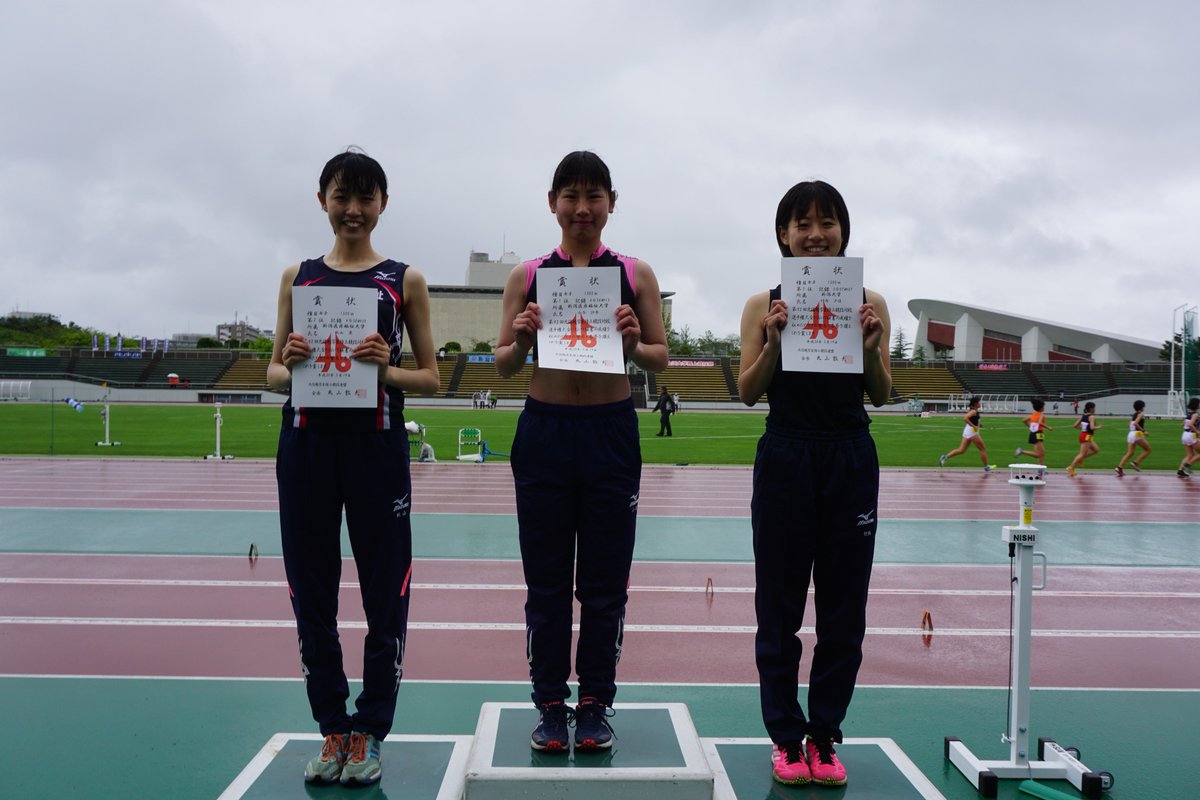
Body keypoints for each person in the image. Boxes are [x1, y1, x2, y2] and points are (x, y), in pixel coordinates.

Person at [267, 149, 439, 786]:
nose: (353, 211)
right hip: (307, 446)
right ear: (322, 201)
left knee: (383, 592)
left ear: (383, 205)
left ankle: (368, 730)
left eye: (366, 199)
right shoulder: (298, 277)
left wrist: (382, 368)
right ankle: (331, 726)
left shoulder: (403, 280)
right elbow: (273, 372)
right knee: (311, 592)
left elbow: (430, 377)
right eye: (342, 197)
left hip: (376, 449)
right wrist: (289, 358)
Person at [495, 151, 668, 753]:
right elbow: (503, 362)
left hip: (609, 431)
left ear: (611, 204)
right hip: (544, 432)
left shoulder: (634, 273)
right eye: (571, 195)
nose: (582, 208)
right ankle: (549, 703)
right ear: (552, 203)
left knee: (604, 584)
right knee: (545, 584)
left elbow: (659, 356)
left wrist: (632, 339)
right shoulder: (528, 274)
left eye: (595, 196)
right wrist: (519, 335)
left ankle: (594, 701)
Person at [737, 180, 891, 787]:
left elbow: (881, 395)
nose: (815, 234)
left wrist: (874, 348)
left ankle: (824, 735)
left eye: (827, 223)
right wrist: (774, 341)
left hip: (850, 456)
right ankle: (784, 737)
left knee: (844, 610)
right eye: (802, 224)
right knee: (777, 608)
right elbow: (748, 393)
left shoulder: (868, 299)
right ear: (783, 235)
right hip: (786, 455)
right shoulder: (762, 304)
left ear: (843, 234)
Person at [940, 397, 995, 472]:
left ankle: (945, 457)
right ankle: (986, 467)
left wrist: (979, 424)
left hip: (968, 431)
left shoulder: (974, 411)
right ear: (975, 404)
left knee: (961, 450)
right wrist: (974, 426)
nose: (980, 404)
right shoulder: (973, 411)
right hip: (972, 432)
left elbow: (974, 419)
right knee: (982, 449)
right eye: (979, 402)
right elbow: (965, 418)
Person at [1115, 399, 1150, 476]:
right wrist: (1144, 431)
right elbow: (1135, 423)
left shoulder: (1134, 415)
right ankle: (1135, 463)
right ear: (1141, 407)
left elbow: (1129, 424)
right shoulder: (1140, 414)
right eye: (1144, 406)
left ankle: (1119, 467)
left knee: (1130, 453)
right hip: (1137, 434)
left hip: (1130, 434)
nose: (1144, 407)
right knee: (1148, 450)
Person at [1066, 401, 1101, 476]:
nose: (1095, 409)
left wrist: (1083, 428)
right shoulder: (1092, 416)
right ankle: (1071, 467)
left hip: (1084, 435)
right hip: (1086, 436)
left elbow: (1075, 425)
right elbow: (1092, 427)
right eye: (1094, 408)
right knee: (1082, 454)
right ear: (1091, 409)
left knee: (1096, 450)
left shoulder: (1083, 416)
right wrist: (1098, 427)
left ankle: (1080, 460)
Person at [1015, 398, 1052, 465]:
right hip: (1037, 434)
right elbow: (1040, 422)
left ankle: (1040, 469)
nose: (1044, 408)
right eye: (1043, 406)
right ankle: (1021, 451)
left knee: (1042, 452)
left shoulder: (1033, 414)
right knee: (1039, 454)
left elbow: (1024, 420)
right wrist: (1048, 427)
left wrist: (1031, 427)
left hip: (1035, 433)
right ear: (1041, 408)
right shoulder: (1041, 414)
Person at [1179, 397, 1200, 477]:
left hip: (1185, 435)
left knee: (1189, 455)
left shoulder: (1189, 414)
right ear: (1196, 404)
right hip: (1191, 435)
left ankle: (1180, 470)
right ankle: (1188, 464)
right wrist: (1197, 431)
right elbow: (1191, 424)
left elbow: (1183, 423)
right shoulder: (1195, 414)